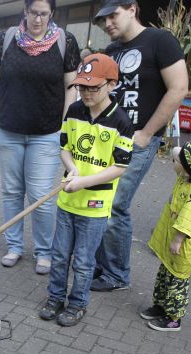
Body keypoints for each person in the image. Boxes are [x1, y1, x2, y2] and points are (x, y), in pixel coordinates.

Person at [90, 0, 188, 292]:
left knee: (115, 206)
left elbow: (179, 88)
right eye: (103, 20)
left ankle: (116, 274)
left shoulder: (160, 41)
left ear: (132, 9)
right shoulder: (111, 50)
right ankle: (101, 264)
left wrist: (146, 133)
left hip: (138, 140)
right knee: (99, 202)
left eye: (113, 16)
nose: (107, 24)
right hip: (106, 138)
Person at [0, 0, 81, 274]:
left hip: (47, 133)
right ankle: (14, 246)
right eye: (33, 13)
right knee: (12, 192)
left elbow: (71, 87)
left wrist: (65, 126)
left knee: (40, 196)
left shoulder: (65, 41)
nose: (38, 19)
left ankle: (44, 251)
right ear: (25, 11)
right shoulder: (6, 39)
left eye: (44, 14)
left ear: (52, 14)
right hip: (6, 131)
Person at [39, 54, 133, 327]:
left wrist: (84, 182)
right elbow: (65, 148)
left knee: (82, 260)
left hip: (95, 206)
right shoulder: (74, 111)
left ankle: (77, 303)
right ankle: (55, 297)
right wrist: (72, 169)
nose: (86, 93)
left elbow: (119, 167)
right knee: (59, 256)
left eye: (94, 87)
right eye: (82, 86)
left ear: (112, 84)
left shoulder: (122, 121)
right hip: (68, 201)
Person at [142, 141, 191, 331]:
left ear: (189, 167)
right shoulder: (186, 177)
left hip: (182, 245)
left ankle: (173, 318)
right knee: (165, 275)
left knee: (177, 281)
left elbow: (189, 217)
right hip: (171, 240)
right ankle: (161, 306)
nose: (173, 161)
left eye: (177, 161)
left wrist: (178, 240)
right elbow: (178, 153)